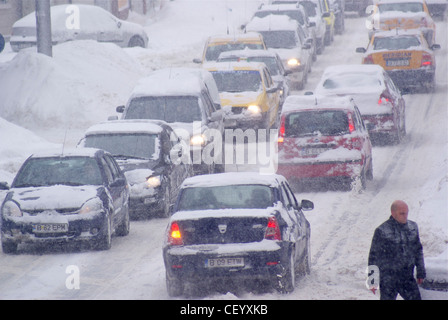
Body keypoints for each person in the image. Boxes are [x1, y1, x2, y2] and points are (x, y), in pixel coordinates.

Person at [368, 200, 426, 300]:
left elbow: (418, 251)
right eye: (402, 213)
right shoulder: (382, 231)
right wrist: (372, 281)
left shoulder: (412, 227)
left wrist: (421, 272)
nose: (405, 216)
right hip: (388, 279)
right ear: (393, 213)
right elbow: (374, 256)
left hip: (407, 277)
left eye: (406, 213)